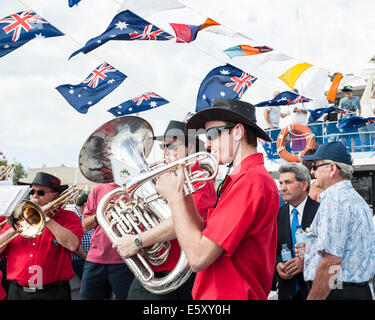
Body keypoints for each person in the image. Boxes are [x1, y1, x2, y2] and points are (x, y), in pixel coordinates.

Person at [156, 98, 280, 300]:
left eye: (212, 135)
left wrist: (174, 198)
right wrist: (184, 194)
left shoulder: (252, 181)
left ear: (238, 132)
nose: (208, 144)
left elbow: (197, 256)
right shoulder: (242, 179)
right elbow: (204, 236)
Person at [114, 120, 217, 300]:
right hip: (154, 269)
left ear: (190, 147)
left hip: (179, 274)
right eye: (163, 146)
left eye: (171, 145)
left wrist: (137, 241)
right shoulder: (162, 177)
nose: (165, 150)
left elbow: (186, 222)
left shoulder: (200, 177)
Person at [300, 141, 375, 300]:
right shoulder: (358, 200)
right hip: (359, 291)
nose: (313, 172)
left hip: (337, 292)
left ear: (332, 168)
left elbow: (331, 262)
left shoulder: (335, 202)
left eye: (316, 165)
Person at [0, 172, 84, 300]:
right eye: (32, 191)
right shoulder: (17, 217)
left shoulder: (69, 217)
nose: (34, 196)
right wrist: (13, 229)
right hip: (17, 292)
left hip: (53, 292)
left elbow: (73, 245)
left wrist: (47, 219)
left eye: (40, 192)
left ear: (55, 194)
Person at [80, 182, 134, 300]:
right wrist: (101, 215)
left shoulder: (138, 187)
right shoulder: (98, 189)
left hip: (127, 260)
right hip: (95, 259)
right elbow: (84, 225)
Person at [275, 163, 319, 300]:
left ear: (304, 185)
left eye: (288, 182)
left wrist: (306, 263)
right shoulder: (276, 215)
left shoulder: (321, 212)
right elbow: (271, 251)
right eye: (281, 183)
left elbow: (331, 253)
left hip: (314, 290)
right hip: (286, 291)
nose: (282, 188)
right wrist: (278, 266)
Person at [71, 193, 92, 279]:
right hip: (80, 260)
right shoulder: (72, 216)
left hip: (89, 259)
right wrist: (88, 259)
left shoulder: (86, 216)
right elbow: (73, 245)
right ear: (86, 205)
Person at [337, 85, 361, 152]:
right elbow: (340, 111)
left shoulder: (356, 99)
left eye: (348, 93)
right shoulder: (342, 100)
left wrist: (359, 117)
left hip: (353, 120)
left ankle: (353, 152)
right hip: (345, 120)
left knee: (353, 138)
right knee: (343, 137)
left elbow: (359, 109)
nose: (347, 95)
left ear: (352, 92)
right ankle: (342, 152)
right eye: (345, 93)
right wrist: (338, 121)